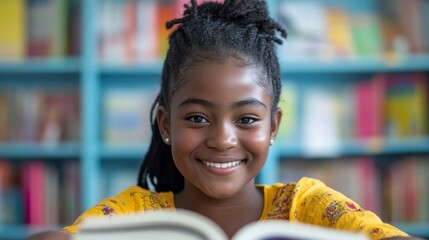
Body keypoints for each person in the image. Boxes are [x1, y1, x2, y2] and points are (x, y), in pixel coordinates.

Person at [28, 0, 422, 239]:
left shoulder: (309, 206)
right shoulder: (137, 213)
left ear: (274, 128)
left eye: (247, 119)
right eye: (198, 117)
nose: (222, 139)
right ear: (166, 125)